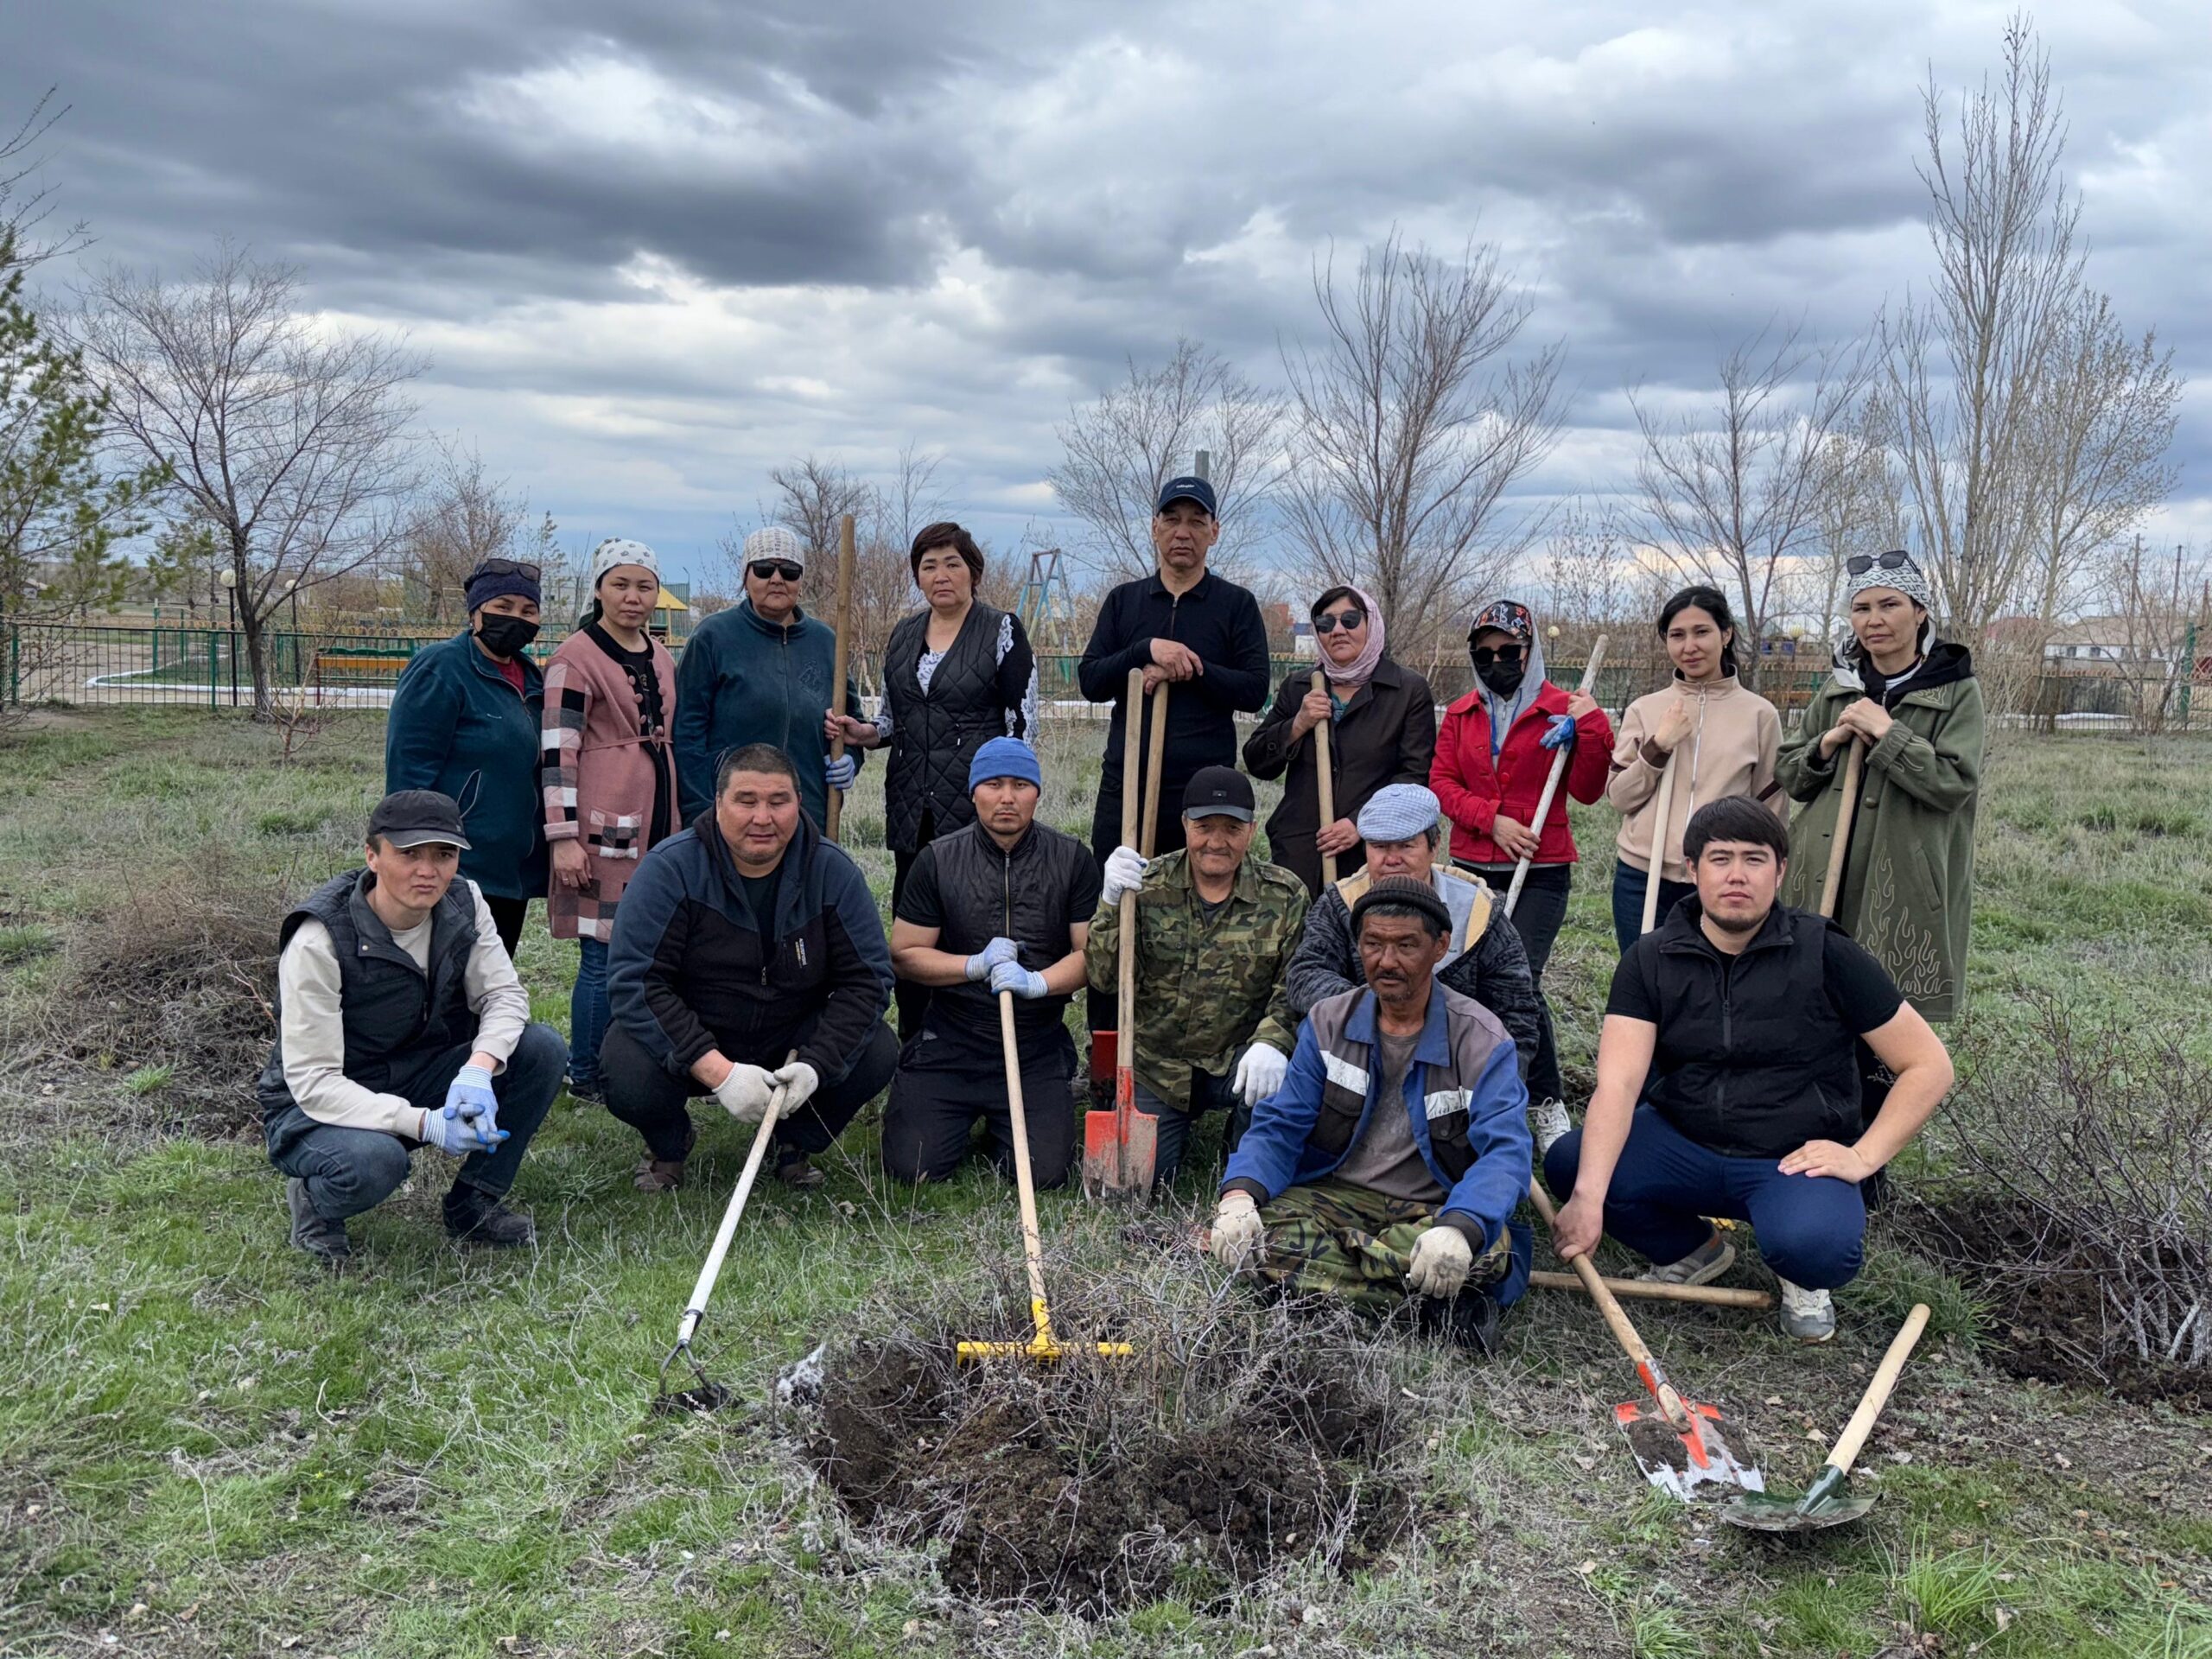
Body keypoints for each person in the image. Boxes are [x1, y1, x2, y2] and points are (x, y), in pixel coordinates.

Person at [1541, 798, 1955, 1343]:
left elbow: (1928, 1065)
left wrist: (1861, 1156)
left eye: (1755, 859)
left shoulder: (1827, 953)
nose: (1737, 875)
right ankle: (1691, 1250)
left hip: (1791, 1157)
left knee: (1817, 1247)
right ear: (1692, 871)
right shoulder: (1651, 959)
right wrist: (1589, 1200)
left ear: (1780, 871)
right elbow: (1618, 1084)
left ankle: (1802, 1276)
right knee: (1573, 1164)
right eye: (1720, 859)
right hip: (1684, 1141)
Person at [1209, 877, 1533, 1352]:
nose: (1387, 961)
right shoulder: (1328, 1022)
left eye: (1406, 945)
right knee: (1258, 1236)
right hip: (1334, 1196)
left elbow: (1505, 1154)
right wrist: (1238, 1196)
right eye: (1373, 944)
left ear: (1440, 947)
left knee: (1489, 1246)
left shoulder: (1483, 1040)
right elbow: (1280, 1127)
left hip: (1430, 1209)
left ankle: (1321, 1289)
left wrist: (1460, 1227)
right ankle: (1428, 1304)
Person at [258, 791, 565, 1262]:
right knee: (376, 1162)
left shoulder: (466, 901)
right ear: (372, 856)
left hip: (420, 1067)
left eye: (444, 855)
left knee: (540, 1049)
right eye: (408, 854)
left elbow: (503, 996)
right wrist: (423, 1123)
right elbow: (314, 1081)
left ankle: (474, 1202)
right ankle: (317, 1204)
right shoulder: (318, 940)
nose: (428, 871)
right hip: (317, 1103)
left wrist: (478, 1070)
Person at [601, 744, 897, 1192]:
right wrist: (719, 1071)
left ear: (799, 803)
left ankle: (793, 1142)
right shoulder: (669, 870)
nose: (763, 817)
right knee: (624, 1064)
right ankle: (669, 1144)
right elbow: (635, 981)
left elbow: (870, 982)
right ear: (718, 803)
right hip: (700, 1035)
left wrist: (816, 1064)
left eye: (779, 801)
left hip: (790, 1040)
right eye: (746, 801)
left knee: (877, 1049)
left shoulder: (833, 873)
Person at [1076, 474, 1271, 1043]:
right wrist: (1146, 652)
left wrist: (1195, 666)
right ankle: (1110, 1049)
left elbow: (1254, 689)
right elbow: (1091, 679)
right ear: (1156, 528)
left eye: (1195, 522)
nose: (1182, 533)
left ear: (1213, 532)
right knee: (1118, 907)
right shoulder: (1125, 603)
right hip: (1128, 786)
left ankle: (1176, 1046)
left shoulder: (1235, 605)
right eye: (1172, 520)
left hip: (1202, 792)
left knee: (1189, 915)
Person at [823, 521, 1039, 1036]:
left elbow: (1022, 727)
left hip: (975, 812)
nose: (941, 575)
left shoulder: (1001, 629)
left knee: (972, 928)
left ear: (973, 572)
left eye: (952, 564)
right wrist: (863, 732)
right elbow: (893, 722)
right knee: (915, 930)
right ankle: (918, 1041)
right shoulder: (903, 634)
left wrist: (1010, 798)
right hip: (910, 810)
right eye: (929, 565)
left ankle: (978, 1039)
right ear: (917, 577)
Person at [881, 737, 1102, 1189]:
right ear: (973, 791)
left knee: (1044, 1176)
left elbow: (1091, 956)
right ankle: (949, 1111)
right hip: (952, 1041)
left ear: (1037, 793)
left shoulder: (1072, 860)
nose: (1007, 797)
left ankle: (1015, 1118)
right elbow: (904, 954)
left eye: (1021, 784)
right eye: (994, 784)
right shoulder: (938, 860)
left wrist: (1037, 982)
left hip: (1033, 1045)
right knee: (911, 1168)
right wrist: (972, 966)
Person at [1430, 599, 1611, 1123]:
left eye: (1508, 651)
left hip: (1542, 871)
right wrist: (1492, 820)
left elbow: (1588, 790)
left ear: (1529, 651)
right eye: (1484, 654)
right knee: (1466, 977)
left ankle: (1542, 1098)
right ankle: (1470, 1086)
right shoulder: (1462, 715)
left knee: (1520, 982)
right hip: (1471, 869)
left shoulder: (1564, 708)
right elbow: (1442, 784)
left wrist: (1591, 729)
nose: (1496, 662)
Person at [1084, 766, 1309, 1188]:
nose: (1217, 842)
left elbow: (1293, 985)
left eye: (1232, 828)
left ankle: (1244, 1149)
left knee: (1277, 1103)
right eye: (1204, 827)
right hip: (1158, 1065)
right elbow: (1102, 977)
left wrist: (1273, 1042)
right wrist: (1110, 902)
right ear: (1185, 824)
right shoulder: (1144, 887)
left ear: (1252, 829)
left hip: (1238, 1059)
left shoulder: (1285, 895)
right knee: (1143, 1184)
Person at [1282, 783, 1546, 1128]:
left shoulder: (1480, 913)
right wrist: (1381, 1016)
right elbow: (1305, 975)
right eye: (1379, 846)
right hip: (1359, 1062)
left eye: (1407, 845)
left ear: (1435, 845)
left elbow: (1517, 1012)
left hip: (1454, 1072)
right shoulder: (1338, 905)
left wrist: (1498, 1089)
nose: (1392, 859)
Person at [541, 538, 682, 1103]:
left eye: (644, 586)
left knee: (646, 951)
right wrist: (562, 838)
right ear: (599, 588)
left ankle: (635, 1058)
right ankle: (587, 1072)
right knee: (602, 954)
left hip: (655, 824)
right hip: (599, 829)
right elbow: (557, 752)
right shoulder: (575, 659)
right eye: (620, 584)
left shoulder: (660, 654)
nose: (633, 597)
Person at [1606, 585, 1783, 954]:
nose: (1690, 646)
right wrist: (1659, 747)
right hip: (1643, 876)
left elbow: (1771, 810)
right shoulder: (1645, 709)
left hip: (1721, 878)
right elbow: (1619, 797)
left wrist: (1755, 871)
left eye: (1701, 632)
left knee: (1714, 983)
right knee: (1646, 984)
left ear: (1726, 633)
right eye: (1677, 635)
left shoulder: (1759, 715)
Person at [385, 558, 549, 957]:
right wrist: (416, 853)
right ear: (476, 611)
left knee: (487, 984)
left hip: (512, 870)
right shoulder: (441, 668)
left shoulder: (534, 680)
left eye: (528, 611)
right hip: (456, 866)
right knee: (444, 987)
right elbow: (409, 770)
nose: (517, 618)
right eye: (503, 607)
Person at [1243, 584, 1438, 895]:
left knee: (1363, 939)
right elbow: (1257, 761)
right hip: (1300, 851)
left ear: (1370, 624)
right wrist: (1298, 724)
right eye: (1325, 623)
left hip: (1371, 853)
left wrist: (1359, 822)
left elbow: (1413, 777)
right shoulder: (1300, 686)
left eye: (1350, 620)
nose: (1337, 630)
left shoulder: (1407, 690)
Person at [674, 525, 868, 836]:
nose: (777, 579)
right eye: (764, 569)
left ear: (801, 582)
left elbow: (852, 724)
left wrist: (850, 758)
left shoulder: (827, 642)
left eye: (790, 571)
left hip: (808, 813)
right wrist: (700, 812)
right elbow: (688, 735)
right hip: (734, 815)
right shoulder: (713, 637)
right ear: (745, 578)